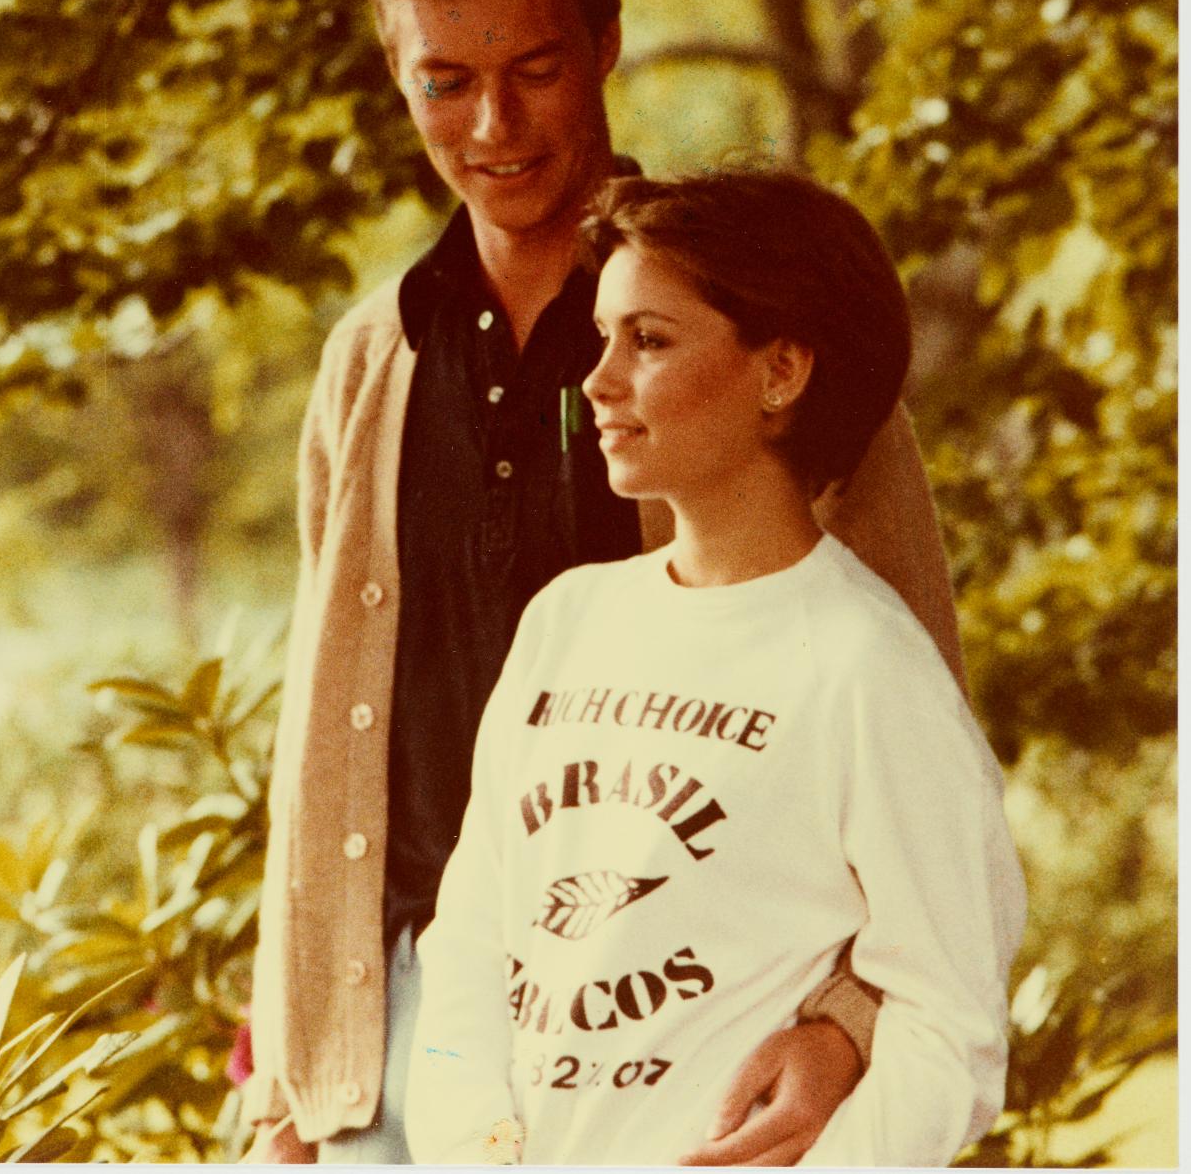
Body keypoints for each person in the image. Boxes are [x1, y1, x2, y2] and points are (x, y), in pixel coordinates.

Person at [242, 0, 968, 1164]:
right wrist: (286, 1065)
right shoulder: (371, 362)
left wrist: (848, 1016)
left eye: (533, 69)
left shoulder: (762, 334)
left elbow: (917, 714)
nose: (494, 129)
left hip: (692, 1009)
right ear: (400, 79)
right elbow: (325, 734)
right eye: (444, 83)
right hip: (405, 1029)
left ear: (608, 42)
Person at [406, 169, 1026, 1167]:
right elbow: (470, 944)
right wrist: (472, 1147)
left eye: (646, 340)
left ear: (779, 370)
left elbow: (945, 1024)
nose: (597, 379)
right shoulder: (565, 623)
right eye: (601, 335)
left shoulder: (866, 670)